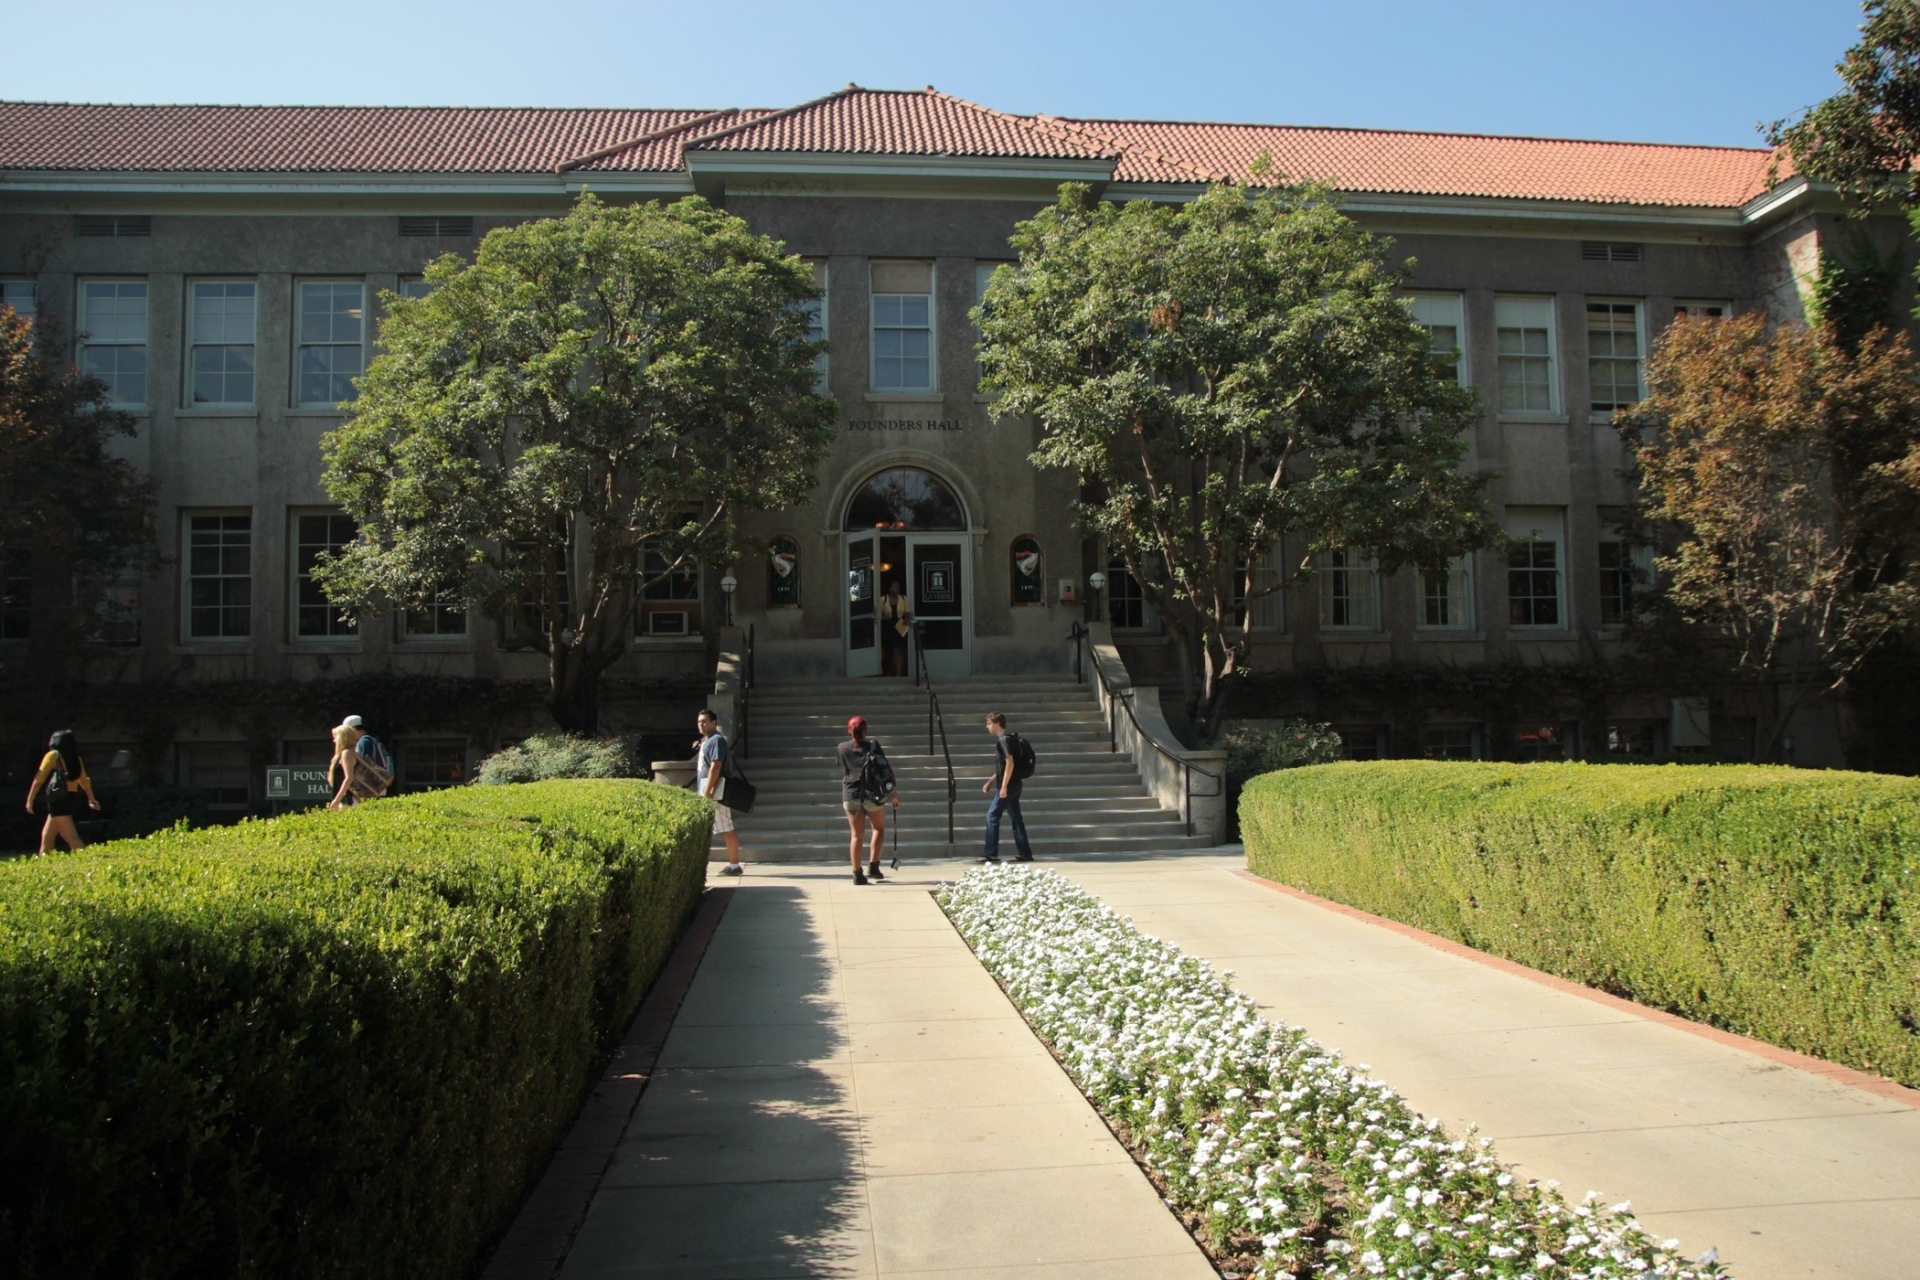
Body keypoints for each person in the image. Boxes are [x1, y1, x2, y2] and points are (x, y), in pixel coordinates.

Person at [837, 715, 899, 884]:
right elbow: (885, 770)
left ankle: (857, 874)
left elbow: (843, 768)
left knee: (856, 835)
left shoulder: (842, 747)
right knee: (878, 828)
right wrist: (893, 794)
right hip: (873, 795)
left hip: (851, 794)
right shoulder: (873, 746)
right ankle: (873, 866)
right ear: (865, 731)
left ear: (849, 730)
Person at [24, 729, 101, 854]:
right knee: (47, 836)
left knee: (71, 837)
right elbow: (84, 781)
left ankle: (89, 863)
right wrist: (91, 799)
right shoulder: (75, 758)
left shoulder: (53, 755)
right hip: (70, 798)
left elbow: (39, 778)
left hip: (57, 799)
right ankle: (45, 867)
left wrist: (30, 799)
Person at [979, 711, 1034, 864]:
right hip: (1015, 784)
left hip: (1009, 785)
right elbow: (1004, 767)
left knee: (992, 816)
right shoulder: (1012, 739)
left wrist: (1003, 787)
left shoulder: (1003, 741)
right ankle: (1025, 853)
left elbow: (1009, 762)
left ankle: (991, 854)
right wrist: (990, 781)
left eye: (989, 723)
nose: (987, 727)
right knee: (1016, 819)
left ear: (997, 723)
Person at [698, 708, 744, 876]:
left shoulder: (716, 740)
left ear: (713, 723)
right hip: (710, 790)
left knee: (725, 826)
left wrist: (708, 791)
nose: (701, 725)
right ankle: (732, 865)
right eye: (699, 722)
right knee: (722, 826)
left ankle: (734, 865)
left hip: (716, 792)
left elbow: (716, 765)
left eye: (704, 721)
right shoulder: (707, 741)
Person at [327, 714, 393, 810]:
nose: (333, 740)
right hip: (357, 796)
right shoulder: (367, 742)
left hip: (352, 798)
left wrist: (337, 800)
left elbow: (350, 777)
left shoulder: (352, 750)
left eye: (335, 737)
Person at [878, 579, 912, 678]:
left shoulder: (903, 598)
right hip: (887, 624)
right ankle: (886, 672)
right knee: (887, 649)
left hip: (900, 623)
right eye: (895, 587)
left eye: (898, 587)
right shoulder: (883, 599)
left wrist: (906, 620)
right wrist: (884, 617)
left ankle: (898, 672)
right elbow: (878, 614)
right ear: (890, 588)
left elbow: (907, 612)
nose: (897, 589)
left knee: (899, 648)